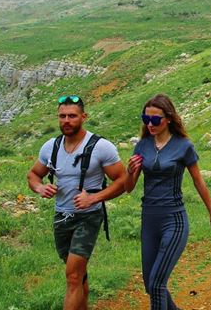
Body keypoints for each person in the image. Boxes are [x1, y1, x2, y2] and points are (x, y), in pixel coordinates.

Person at [27, 95, 127, 310]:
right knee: (77, 275)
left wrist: (93, 198)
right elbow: (33, 175)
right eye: (62, 116)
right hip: (61, 216)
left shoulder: (101, 147)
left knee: (72, 276)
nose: (66, 120)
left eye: (72, 116)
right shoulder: (50, 147)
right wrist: (40, 187)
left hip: (89, 217)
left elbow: (123, 180)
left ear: (83, 117)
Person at [125, 94, 211, 310]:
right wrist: (130, 171)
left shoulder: (183, 146)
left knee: (157, 283)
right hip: (149, 219)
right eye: (146, 119)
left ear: (168, 118)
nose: (150, 124)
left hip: (174, 220)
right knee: (150, 285)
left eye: (155, 120)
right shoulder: (142, 146)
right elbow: (128, 188)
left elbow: (198, 181)